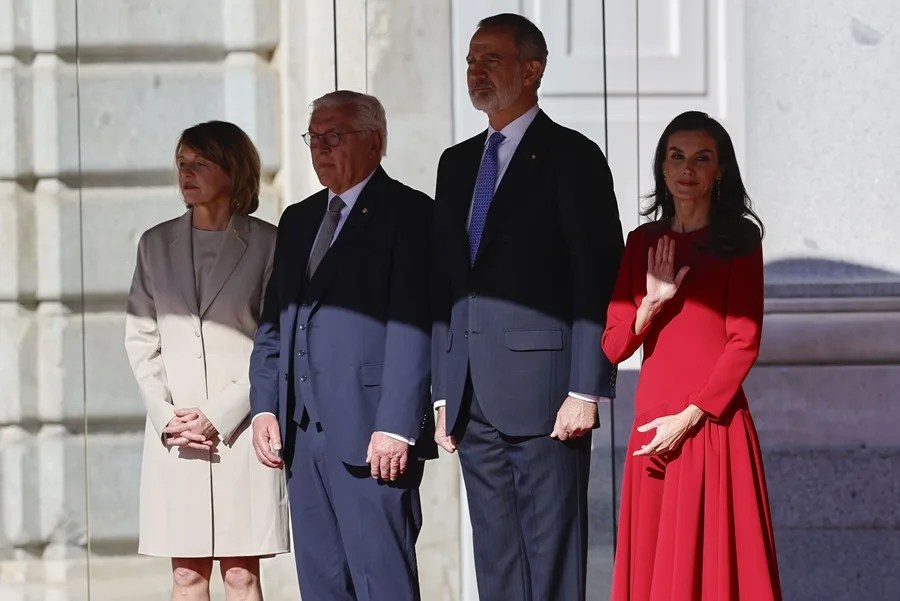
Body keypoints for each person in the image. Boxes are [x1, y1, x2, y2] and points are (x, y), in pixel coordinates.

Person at [431, 13, 624, 601]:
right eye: (471, 60)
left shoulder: (573, 157)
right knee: (496, 559)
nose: (476, 71)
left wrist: (586, 389)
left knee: (552, 560)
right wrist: (443, 389)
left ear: (533, 69)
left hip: (548, 398)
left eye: (491, 59)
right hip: (472, 399)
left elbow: (597, 276)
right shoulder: (456, 163)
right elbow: (446, 283)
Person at [248, 90, 436, 601]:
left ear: (375, 142)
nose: (320, 148)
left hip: (372, 435)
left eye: (334, 136)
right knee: (323, 585)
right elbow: (274, 323)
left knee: (382, 583)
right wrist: (264, 407)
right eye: (314, 137)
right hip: (302, 437)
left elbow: (415, 326)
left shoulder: (410, 214)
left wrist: (397, 425)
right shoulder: (298, 219)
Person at [602, 111, 782, 600]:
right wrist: (651, 302)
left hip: (711, 422)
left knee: (714, 568)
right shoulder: (641, 243)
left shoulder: (739, 239)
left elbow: (744, 340)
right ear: (662, 168)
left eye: (702, 158)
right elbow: (614, 345)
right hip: (651, 424)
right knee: (656, 564)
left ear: (719, 170)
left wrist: (690, 416)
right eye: (676, 156)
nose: (687, 169)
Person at [124, 120, 288, 601]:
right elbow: (141, 338)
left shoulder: (270, 243)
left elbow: (275, 338)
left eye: (200, 163)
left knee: (241, 574)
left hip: (241, 429)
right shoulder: (154, 244)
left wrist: (221, 413)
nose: (187, 173)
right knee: (186, 575)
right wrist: (166, 416)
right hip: (176, 433)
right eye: (182, 163)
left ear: (233, 170)